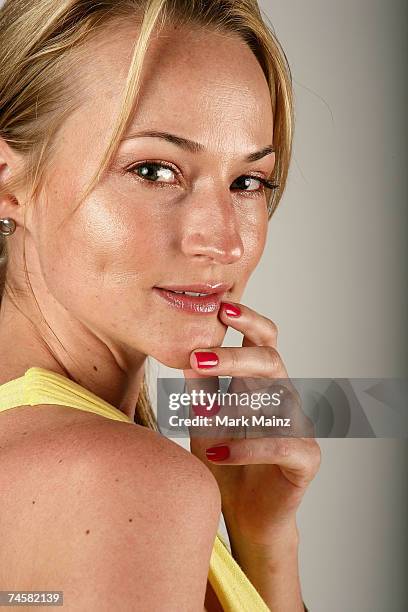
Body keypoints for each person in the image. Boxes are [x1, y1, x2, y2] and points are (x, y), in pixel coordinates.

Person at [0, 0, 320, 609]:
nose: (225, 241)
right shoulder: (130, 483)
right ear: (7, 184)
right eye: (154, 170)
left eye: (249, 182)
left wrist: (261, 540)